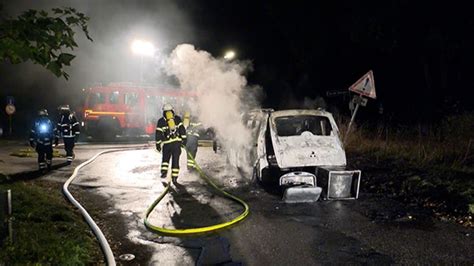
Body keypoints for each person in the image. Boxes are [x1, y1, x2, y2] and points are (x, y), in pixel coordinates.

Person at [155, 104, 187, 184]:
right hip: (176, 144)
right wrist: (184, 140)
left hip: (167, 144)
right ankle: (174, 178)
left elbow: (158, 134)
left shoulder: (161, 121)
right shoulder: (177, 119)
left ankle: (163, 173)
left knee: (165, 160)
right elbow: (182, 130)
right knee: (175, 161)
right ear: (172, 110)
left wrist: (158, 144)